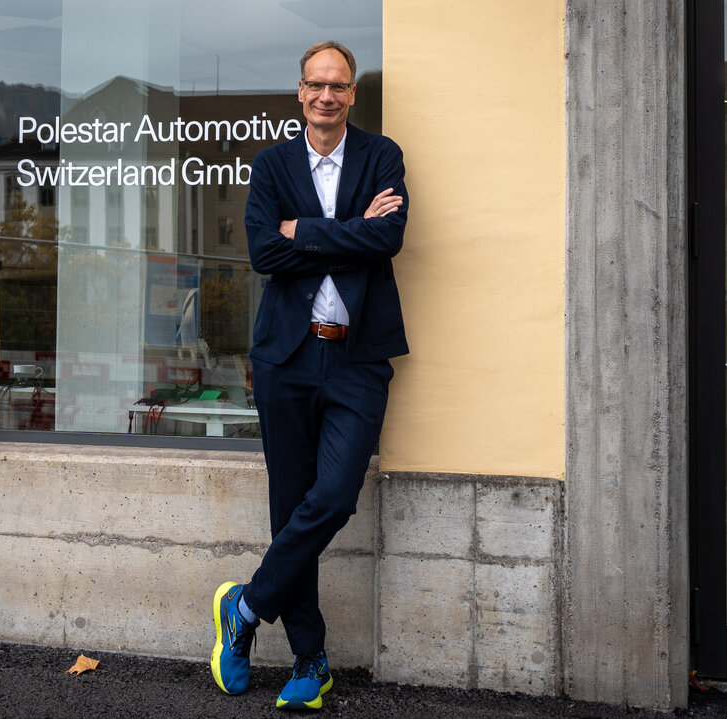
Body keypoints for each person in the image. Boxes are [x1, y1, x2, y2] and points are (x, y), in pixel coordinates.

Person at [211, 40, 409, 710]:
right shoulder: (271, 165)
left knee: (332, 497)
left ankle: (245, 605)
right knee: (289, 504)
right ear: (300, 92)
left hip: (357, 358)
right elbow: (265, 250)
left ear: (353, 95)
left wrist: (310, 231)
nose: (327, 96)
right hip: (287, 359)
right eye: (316, 85)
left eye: (340, 86)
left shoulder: (382, 156)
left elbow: (389, 239)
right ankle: (309, 658)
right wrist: (348, 229)